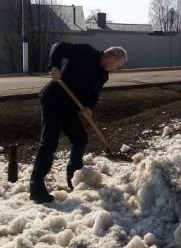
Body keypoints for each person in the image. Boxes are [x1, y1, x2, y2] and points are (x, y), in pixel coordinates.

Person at [29, 43, 128, 203]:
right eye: (117, 65)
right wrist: (54, 66)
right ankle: (36, 188)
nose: (116, 69)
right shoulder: (86, 52)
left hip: (71, 108)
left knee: (80, 139)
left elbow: (94, 94)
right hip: (54, 100)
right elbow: (58, 47)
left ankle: (74, 178)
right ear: (110, 58)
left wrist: (89, 107)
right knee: (49, 142)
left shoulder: (103, 75)